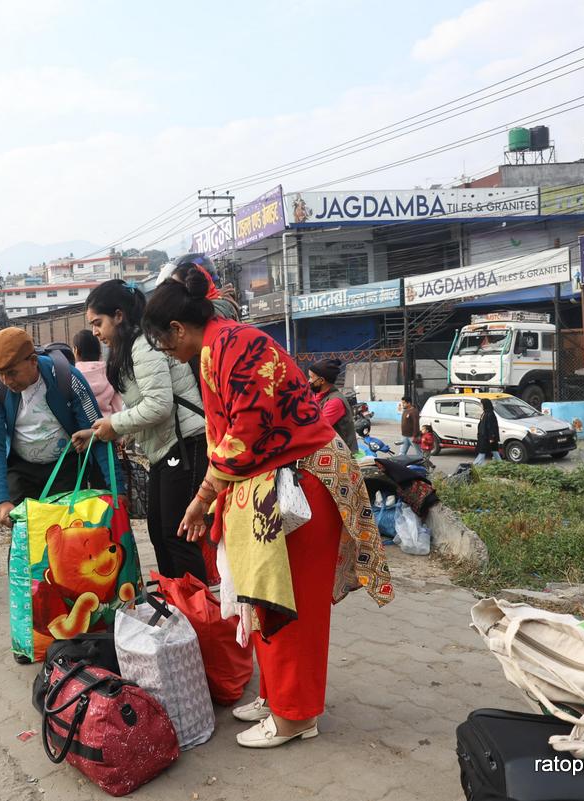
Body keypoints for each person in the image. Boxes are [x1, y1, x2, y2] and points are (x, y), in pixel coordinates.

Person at [142, 264, 392, 750]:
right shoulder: (219, 347)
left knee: (290, 603)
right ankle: (278, 696)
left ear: (176, 329)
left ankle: (296, 715)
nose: (165, 352)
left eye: (161, 341)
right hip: (272, 486)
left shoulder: (238, 346)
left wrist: (201, 499)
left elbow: (244, 438)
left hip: (303, 483)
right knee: (260, 594)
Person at [72, 279, 209, 582]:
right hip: (168, 449)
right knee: (161, 535)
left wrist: (114, 425)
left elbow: (158, 405)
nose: (95, 332)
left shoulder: (144, 345)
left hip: (185, 445)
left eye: (98, 322)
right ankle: (180, 609)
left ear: (119, 316)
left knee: (177, 537)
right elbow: (144, 409)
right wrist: (98, 432)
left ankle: (201, 615)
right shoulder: (131, 347)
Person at [0, 327, 122, 529]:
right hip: (21, 470)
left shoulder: (68, 378)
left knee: (67, 535)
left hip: (65, 468)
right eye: (1, 375)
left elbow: (97, 433)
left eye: (12, 373)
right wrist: (2, 500)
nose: (7, 381)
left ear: (33, 361)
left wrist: (117, 489)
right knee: (27, 541)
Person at [307, 359, 359, 455]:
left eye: (311, 377)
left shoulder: (335, 402)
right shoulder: (317, 396)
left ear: (321, 380)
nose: (309, 381)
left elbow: (316, 429)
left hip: (343, 456)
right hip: (329, 452)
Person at [71, 329, 122, 417]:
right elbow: (118, 407)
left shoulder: (71, 376)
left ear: (75, 350)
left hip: (83, 427)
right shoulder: (110, 372)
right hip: (107, 425)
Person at [474, 397, 503, 465]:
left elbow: (492, 427)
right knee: (494, 452)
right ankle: (501, 465)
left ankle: (475, 466)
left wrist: (492, 437)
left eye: (482, 404)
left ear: (485, 404)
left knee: (482, 452)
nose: (481, 406)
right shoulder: (485, 413)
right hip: (483, 436)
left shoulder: (490, 414)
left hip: (487, 437)